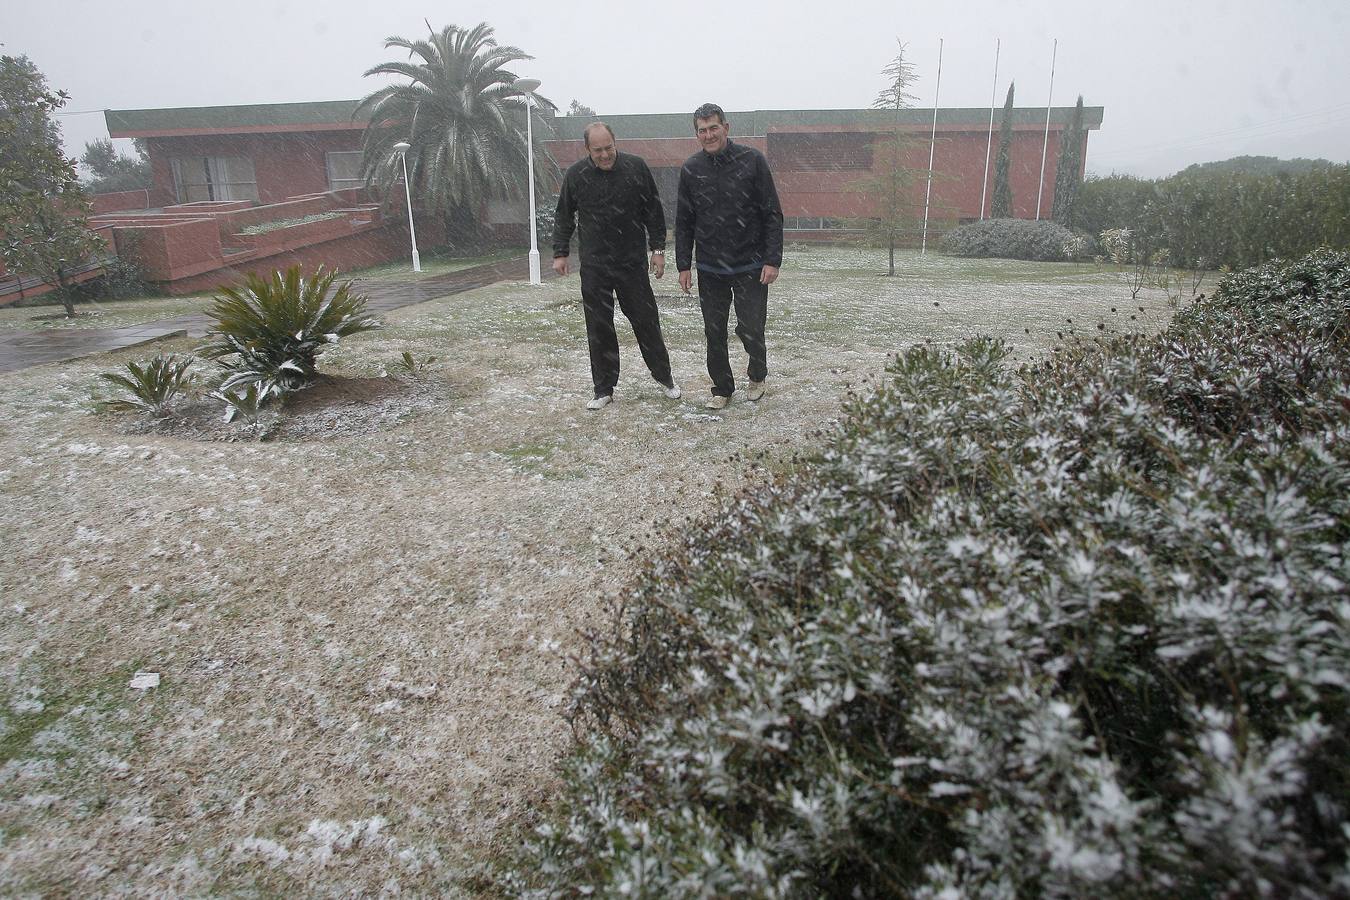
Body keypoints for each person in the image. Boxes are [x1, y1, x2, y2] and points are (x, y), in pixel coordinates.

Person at [552, 122, 680, 410]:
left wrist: (657, 250)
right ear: (588, 150)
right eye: (598, 150)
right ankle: (603, 389)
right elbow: (564, 216)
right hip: (595, 265)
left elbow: (654, 212)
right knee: (599, 328)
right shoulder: (576, 175)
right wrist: (560, 253)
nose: (605, 155)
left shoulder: (636, 168)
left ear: (615, 142)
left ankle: (665, 377)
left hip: (631, 264)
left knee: (646, 322)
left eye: (608, 147)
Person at [675, 102, 784, 410]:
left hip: (750, 263)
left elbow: (771, 213)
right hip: (710, 267)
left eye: (713, 128)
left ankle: (757, 374)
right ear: (696, 134)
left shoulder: (752, 161)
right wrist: (684, 264)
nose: (708, 135)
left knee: (750, 326)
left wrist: (772, 258)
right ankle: (722, 387)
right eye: (702, 130)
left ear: (726, 127)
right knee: (714, 330)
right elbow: (684, 221)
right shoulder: (691, 169)